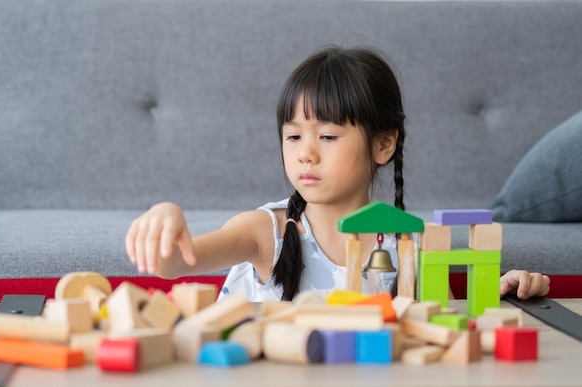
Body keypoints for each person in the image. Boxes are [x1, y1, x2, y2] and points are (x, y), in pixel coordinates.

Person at [125, 45, 550, 302]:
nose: (305, 154)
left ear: (384, 144)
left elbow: (438, 320)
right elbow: (175, 264)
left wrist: (497, 290)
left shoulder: (408, 242)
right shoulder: (262, 231)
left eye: (327, 136)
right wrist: (165, 216)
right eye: (293, 138)